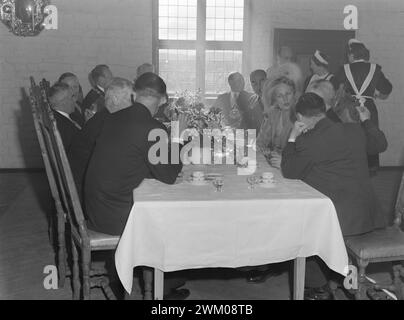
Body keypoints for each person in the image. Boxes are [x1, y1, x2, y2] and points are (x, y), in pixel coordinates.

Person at [84, 73, 190, 299]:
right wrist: (179, 138)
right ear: (163, 100)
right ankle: (164, 286)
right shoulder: (153, 128)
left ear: (134, 93)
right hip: (115, 216)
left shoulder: (112, 118)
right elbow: (169, 175)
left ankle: (167, 279)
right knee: (174, 218)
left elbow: (130, 158)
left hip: (94, 207)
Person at [281, 92, 387, 299]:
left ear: (301, 117)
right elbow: (379, 145)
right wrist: (366, 121)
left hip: (341, 221)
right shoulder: (354, 130)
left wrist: (292, 137)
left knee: (301, 226)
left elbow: (289, 171)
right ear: (323, 111)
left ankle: (317, 289)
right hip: (367, 214)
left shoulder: (309, 140)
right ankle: (338, 276)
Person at [69, 78, 135, 201]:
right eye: (131, 98)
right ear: (115, 100)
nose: (134, 103)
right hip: (89, 190)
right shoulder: (109, 122)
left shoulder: (105, 116)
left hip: (89, 179)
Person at [333, 39, 393, 172]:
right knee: (370, 135)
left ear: (352, 55)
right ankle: (371, 167)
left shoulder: (344, 69)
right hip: (368, 108)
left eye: (348, 55)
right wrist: (376, 91)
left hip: (350, 108)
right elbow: (387, 89)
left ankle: (349, 165)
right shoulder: (375, 69)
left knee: (350, 136)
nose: (348, 57)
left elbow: (332, 86)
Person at [308, 80, 388, 167]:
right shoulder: (343, 119)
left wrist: (366, 122)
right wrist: (366, 121)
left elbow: (378, 145)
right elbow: (379, 144)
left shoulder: (334, 123)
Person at [256, 77, 297, 168]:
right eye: (280, 96)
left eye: (288, 94)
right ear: (275, 99)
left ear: (294, 94)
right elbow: (260, 143)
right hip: (273, 163)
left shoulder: (301, 117)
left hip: (292, 167)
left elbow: (303, 154)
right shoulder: (272, 114)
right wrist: (267, 153)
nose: (285, 99)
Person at [48, 82, 81, 153]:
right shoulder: (64, 126)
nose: (75, 100)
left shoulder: (57, 116)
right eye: (72, 97)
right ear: (63, 102)